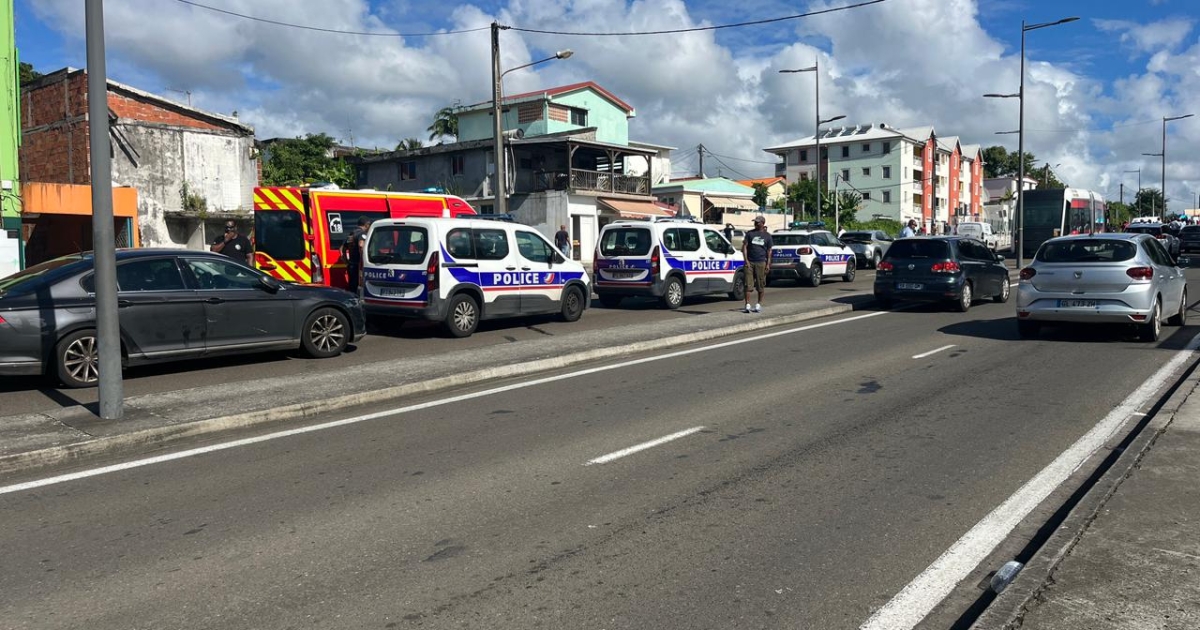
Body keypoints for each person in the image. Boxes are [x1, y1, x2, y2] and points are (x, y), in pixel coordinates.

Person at [741, 215, 773, 313]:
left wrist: (768, 264)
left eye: (757, 222)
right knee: (748, 284)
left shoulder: (767, 236)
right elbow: (745, 247)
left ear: (763, 223)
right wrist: (746, 260)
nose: (755, 223)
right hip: (750, 262)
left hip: (761, 262)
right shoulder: (750, 234)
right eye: (755, 222)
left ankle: (759, 304)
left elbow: (769, 251)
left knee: (760, 285)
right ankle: (747, 304)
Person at [341, 216, 371, 295]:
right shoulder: (362, 233)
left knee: (352, 287)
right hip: (358, 265)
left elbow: (342, 248)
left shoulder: (351, 234)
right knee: (360, 287)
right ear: (366, 225)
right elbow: (361, 245)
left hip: (351, 265)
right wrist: (364, 260)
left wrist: (346, 261)